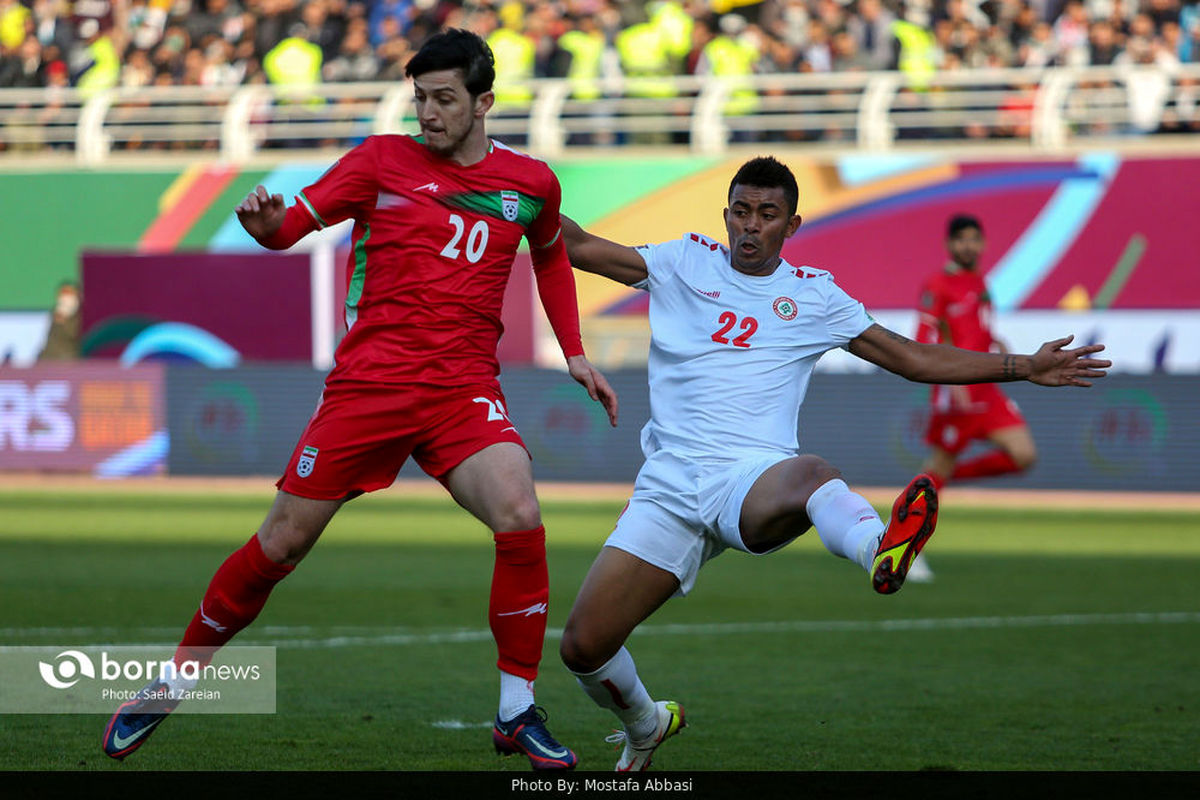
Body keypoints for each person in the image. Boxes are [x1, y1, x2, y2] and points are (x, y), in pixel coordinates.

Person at [102, 29, 617, 771]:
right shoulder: (379, 161)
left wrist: (574, 353)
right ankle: (174, 682)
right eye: (421, 100)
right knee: (280, 544)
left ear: (484, 104)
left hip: (462, 389)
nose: (429, 115)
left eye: (445, 100)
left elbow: (550, 257)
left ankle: (515, 711)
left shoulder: (531, 183)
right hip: (369, 388)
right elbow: (290, 227)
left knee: (521, 514)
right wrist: (264, 227)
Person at [555, 156, 1110, 771]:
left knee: (814, 472)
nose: (750, 226)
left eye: (767, 215)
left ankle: (882, 548)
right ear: (725, 215)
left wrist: (1024, 368)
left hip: (753, 478)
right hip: (667, 486)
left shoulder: (814, 295)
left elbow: (913, 358)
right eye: (741, 211)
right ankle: (647, 723)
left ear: (791, 226)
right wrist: (508, 186)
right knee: (583, 646)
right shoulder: (680, 261)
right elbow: (574, 244)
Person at [916, 214, 1037, 491]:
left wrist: (994, 341)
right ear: (949, 244)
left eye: (974, 240)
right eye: (961, 240)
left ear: (983, 244)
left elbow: (968, 328)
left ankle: (945, 476)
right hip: (957, 388)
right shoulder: (938, 284)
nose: (968, 246)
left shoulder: (980, 281)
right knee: (937, 467)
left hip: (987, 387)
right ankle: (910, 516)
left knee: (1024, 454)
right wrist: (947, 377)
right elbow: (925, 338)